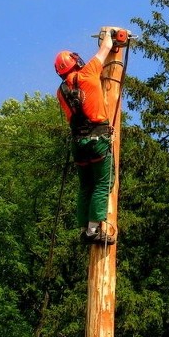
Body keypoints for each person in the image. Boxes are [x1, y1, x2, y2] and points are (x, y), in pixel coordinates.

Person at [54, 30, 117, 245]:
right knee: (103, 182)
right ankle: (93, 230)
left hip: (78, 143)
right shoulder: (88, 72)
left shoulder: (61, 91)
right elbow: (106, 47)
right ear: (74, 62)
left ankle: (84, 228)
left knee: (85, 186)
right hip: (97, 140)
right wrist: (110, 33)